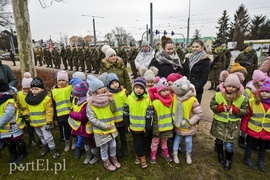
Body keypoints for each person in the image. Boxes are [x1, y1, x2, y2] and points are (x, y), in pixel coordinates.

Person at [210, 73, 248, 170]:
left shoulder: (242, 98)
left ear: (237, 87)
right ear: (225, 85)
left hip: (232, 125)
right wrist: (218, 108)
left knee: (229, 144)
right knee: (219, 141)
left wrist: (237, 111)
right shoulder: (218, 95)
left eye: (233, 87)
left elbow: (245, 110)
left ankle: (228, 160)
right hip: (219, 123)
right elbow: (212, 105)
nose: (230, 88)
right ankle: (220, 154)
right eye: (229, 86)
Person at [86, 75, 121, 172]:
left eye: (102, 87)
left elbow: (114, 110)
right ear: (94, 90)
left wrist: (112, 100)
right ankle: (106, 162)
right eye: (99, 88)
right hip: (101, 130)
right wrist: (104, 126)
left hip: (111, 128)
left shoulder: (107, 99)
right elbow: (92, 119)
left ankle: (113, 158)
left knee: (113, 145)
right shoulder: (91, 103)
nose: (102, 89)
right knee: (104, 147)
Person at [24, 77, 60, 159]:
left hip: (44, 123)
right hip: (35, 122)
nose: (33, 91)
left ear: (41, 89)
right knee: (40, 136)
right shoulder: (29, 99)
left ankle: (53, 149)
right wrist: (26, 114)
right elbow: (27, 109)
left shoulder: (46, 99)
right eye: (32, 89)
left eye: (36, 89)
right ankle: (45, 147)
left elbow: (49, 111)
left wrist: (49, 122)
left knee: (48, 137)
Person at [123, 77, 154, 169]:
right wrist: (126, 124)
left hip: (144, 127)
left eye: (141, 88)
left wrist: (148, 126)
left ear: (144, 89)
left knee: (143, 142)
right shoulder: (129, 98)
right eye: (136, 87)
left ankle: (138, 155)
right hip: (133, 127)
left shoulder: (148, 100)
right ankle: (142, 157)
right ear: (133, 88)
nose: (138, 90)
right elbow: (125, 112)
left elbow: (150, 114)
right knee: (137, 143)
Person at [240, 78, 270, 172]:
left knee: (263, 148)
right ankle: (247, 158)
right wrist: (243, 128)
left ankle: (261, 161)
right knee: (249, 145)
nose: (264, 93)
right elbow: (247, 116)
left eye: (267, 92)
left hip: (266, 131)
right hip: (253, 129)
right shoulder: (253, 102)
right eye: (262, 91)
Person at [171, 76, 202, 165]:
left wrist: (190, 122)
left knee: (188, 140)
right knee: (177, 139)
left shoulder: (193, 100)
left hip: (188, 126)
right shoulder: (176, 97)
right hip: (178, 124)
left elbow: (198, 113)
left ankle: (189, 154)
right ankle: (175, 153)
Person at [68, 81, 100, 165]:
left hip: (86, 127)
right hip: (81, 128)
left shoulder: (85, 104)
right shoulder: (78, 100)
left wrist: (71, 113)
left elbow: (83, 117)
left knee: (90, 141)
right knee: (86, 142)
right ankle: (88, 155)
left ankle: (96, 155)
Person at [99, 72, 129, 158]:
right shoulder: (108, 94)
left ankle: (124, 148)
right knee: (114, 136)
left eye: (116, 82)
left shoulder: (123, 92)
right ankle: (117, 150)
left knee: (123, 136)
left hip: (122, 119)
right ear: (108, 85)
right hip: (113, 120)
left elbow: (127, 103)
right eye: (112, 83)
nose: (115, 85)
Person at [238, 70, 268, 149]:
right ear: (256, 81)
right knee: (244, 126)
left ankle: (253, 142)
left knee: (253, 128)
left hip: (256, 113)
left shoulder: (263, 90)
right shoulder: (248, 91)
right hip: (249, 110)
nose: (263, 82)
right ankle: (241, 138)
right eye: (261, 81)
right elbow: (245, 101)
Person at [0, 79, 27, 164]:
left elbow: (7, 115)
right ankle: (13, 154)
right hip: (5, 128)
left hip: (13, 126)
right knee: (8, 142)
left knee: (17, 140)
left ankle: (22, 153)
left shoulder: (9, 102)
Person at [148, 77, 173, 164]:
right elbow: (154, 118)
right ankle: (153, 153)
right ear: (158, 91)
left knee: (164, 140)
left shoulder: (171, 100)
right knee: (155, 141)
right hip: (158, 127)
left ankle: (164, 151)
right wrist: (155, 129)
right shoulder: (155, 102)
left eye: (167, 90)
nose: (166, 92)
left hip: (167, 126)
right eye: (164, 91)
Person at [51, 71, 73, 152]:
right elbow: (53, 103)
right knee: (65, 128)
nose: (61, 82)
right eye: (59, 80)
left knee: (73, 127)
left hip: (71, 112)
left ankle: (74, 141)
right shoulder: (54, 90)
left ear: (67, 80)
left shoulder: (71, 88)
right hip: (61, 114)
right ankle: (67, 142)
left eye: (63, 80)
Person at [17, 72, 36, 147]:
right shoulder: (19, 94)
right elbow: (18, 104)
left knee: (37, 127)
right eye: (26, 88)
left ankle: (40, 139)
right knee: (29, 128)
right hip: (25, 115)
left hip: (34, 114)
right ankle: (32, 139)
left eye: (29, 88)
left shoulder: (34, 94)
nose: (28, 90)